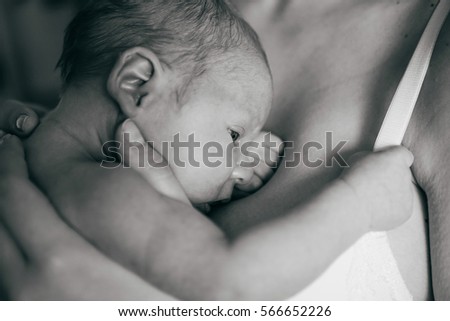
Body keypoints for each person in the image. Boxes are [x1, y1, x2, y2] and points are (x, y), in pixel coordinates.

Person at [2, 0, 449, 300]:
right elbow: (232, 283)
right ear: (137, 84)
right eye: (235, 136)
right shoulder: (109, 187)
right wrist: (358, 203)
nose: (241, 166)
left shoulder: (48, 157)